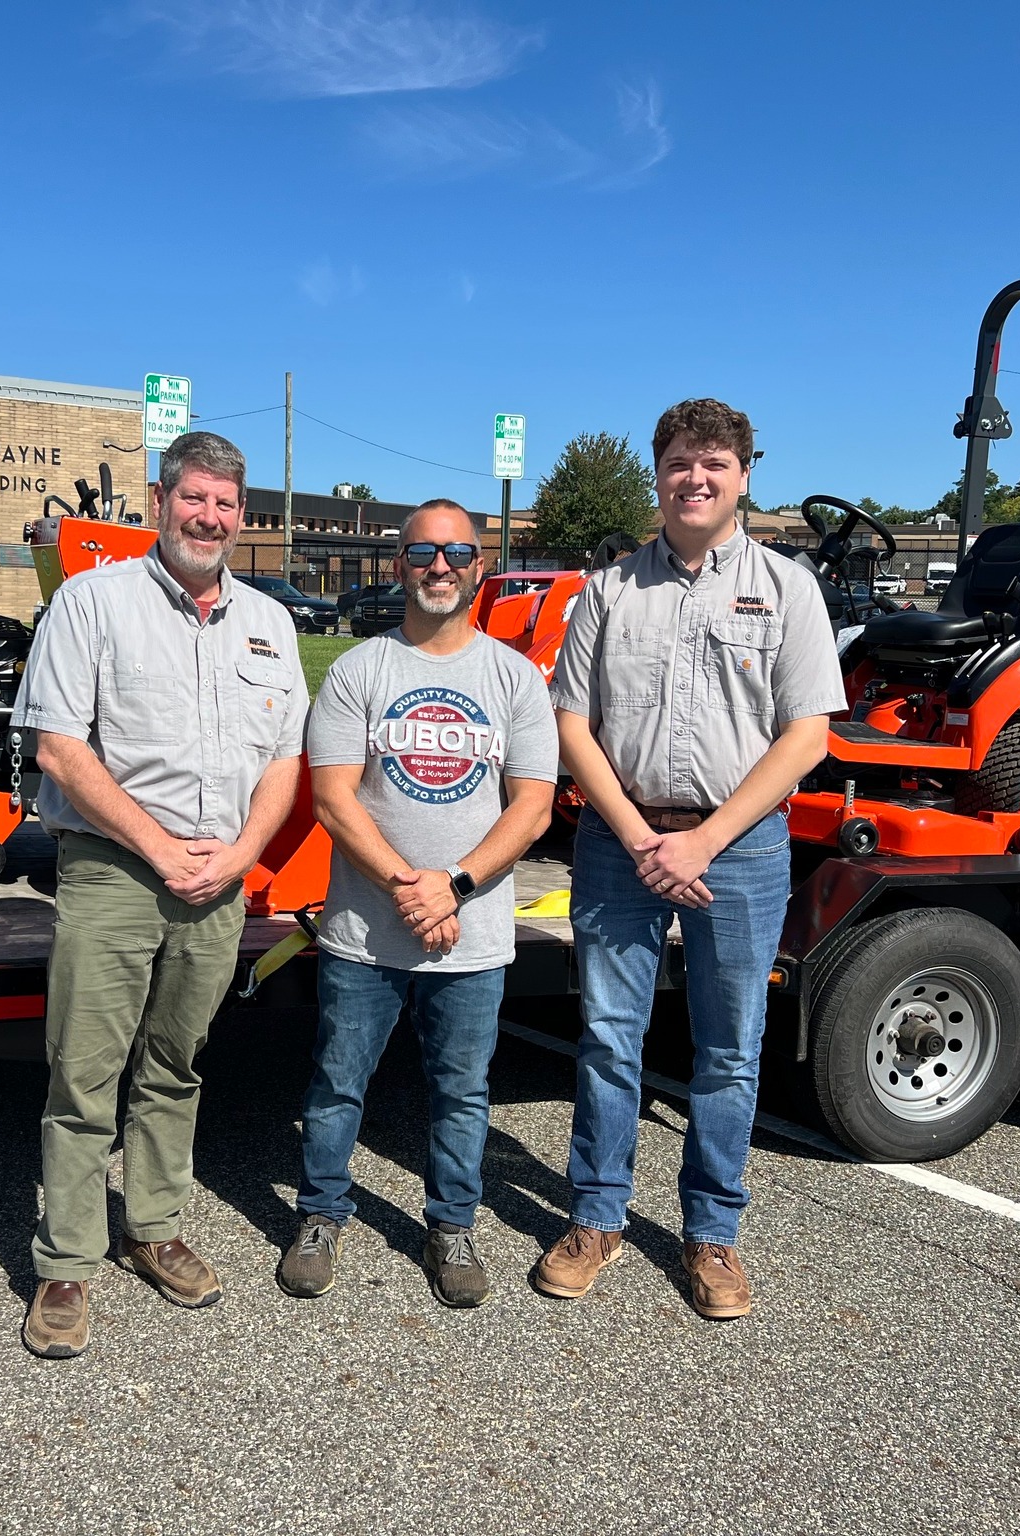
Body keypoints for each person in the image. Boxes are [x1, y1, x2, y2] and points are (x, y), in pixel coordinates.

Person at [536, 399, 845, 1320]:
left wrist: (703, 841)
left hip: (739, 846)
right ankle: (597, 1217)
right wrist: (638, 836)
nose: (695, 478)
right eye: (678, 462)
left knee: (729, 1051)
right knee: (606, 1037)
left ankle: (712, 1235)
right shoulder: (610, 591)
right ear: (658, 475)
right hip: (617, 842)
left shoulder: (788, 589)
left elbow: (808, 736)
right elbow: (569, 725)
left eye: (714, 462)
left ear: (746, 475)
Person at [12, 431, 306, 1358]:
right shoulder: (92, 605)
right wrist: (160, 847)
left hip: (218, 881)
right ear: (160, 500)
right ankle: (65, 1264)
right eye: (194, 499)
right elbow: (60, 746)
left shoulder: (269, 621)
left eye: (226, 504)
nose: (209, 517)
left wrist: (242, 857)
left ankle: (154, 1228)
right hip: (114, 872)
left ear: (241, 517)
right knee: (85, 1072)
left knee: (177, 1064)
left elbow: (286, 760)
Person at [278, 500, 558, 1308]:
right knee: (337, 1084)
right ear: (398, 564)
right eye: (423, 552)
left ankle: (452, 1226)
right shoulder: (362, 670)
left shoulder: (512, 679)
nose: (441, 566)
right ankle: (323, 1214)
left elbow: (533, 806)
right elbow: (334, 798)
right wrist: (412, 884)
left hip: (469, 938)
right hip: (366, 933)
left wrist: (455, 884)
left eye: (458, 552)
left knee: (462, 1092)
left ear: (479, 566)